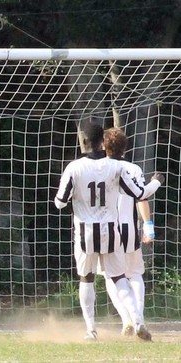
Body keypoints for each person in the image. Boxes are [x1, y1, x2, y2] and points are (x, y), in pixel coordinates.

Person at [53, 122, 164, 342]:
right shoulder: (116, 167)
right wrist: (156, 183)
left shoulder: (74, 168)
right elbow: (140, 193)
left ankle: (91, 330)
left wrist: (77, 196)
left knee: (87, 278)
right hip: (112, 232)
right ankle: (137, 319)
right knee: (119, 277)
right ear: (102, 143)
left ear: (84, 141)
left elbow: (59, 203)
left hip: (85, 232)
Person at [101, 127, 156, 336]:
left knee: (111, 276)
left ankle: (126, 320)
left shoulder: (97, 168)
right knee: (135, 274)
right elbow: (142, 197)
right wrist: (148, 226)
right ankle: (138, 318)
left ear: (103, 146)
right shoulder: (133, 168)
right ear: (125, 147)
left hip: (105, 230)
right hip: (129, 229)